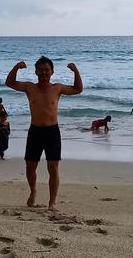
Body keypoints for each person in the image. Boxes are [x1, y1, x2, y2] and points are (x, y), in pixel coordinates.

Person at [5, 56, 83, 210]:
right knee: (30, 167)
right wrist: (16, 68)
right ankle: (33, 192)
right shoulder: (29, 87)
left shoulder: (57, 88)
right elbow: (10, 83)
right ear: (36, 72)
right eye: (40, 70)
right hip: (35, 131)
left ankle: (52, 202)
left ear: (52, 71)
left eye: (46, 70)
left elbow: (78, 89)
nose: (43, 73)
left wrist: (76, 71)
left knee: (53, 167)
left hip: (52, 132)